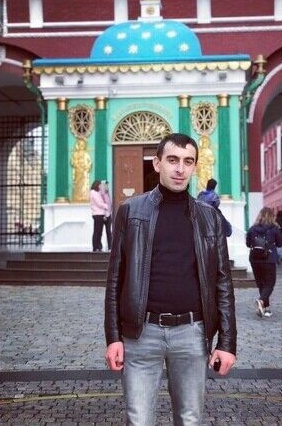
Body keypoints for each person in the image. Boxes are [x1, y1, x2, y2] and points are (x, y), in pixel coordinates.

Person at [104, 133, 237, 425]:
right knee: (139, 420)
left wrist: (227, 343)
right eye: (173, 160)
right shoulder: (131, 211)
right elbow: (115, 279)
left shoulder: (209, 218)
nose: (180, 169)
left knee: (190, 419)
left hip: (192, 334)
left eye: (188, 161)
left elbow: (223, 282)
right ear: (157, 164)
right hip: (141, 334)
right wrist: (113, 337)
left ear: (194, 166)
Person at [246, 207, 282, 318]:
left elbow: (248, 244)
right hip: (269, 259)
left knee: (261, 283)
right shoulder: (274, 228)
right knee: (270, 284)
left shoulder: (252, 229)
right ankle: (261, 301)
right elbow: (280, 243)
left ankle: (266, 308)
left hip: (255, 259)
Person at [89, 180, 110, 252]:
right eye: (100, 185)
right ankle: (95, 247)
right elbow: (99, 203)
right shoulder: (93, 192)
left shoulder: (97, 192)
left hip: (101, 214)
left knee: (100, 232)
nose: (101, 186)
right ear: (96, 185)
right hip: (97, 214)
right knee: (97, 231)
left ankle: (99, 246)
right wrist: (107, 206)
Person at [100, 181, 113, 252]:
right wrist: (104, 214)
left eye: (107, 185)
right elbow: (103, 205)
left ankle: (110, 247)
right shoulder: (102, 195)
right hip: (105, 216)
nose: (106, 186)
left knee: (109, 232)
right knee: (101, 232)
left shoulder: (107, 194)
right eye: (105, 185)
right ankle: (101, 247)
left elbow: (109, 205)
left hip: (109, 214)